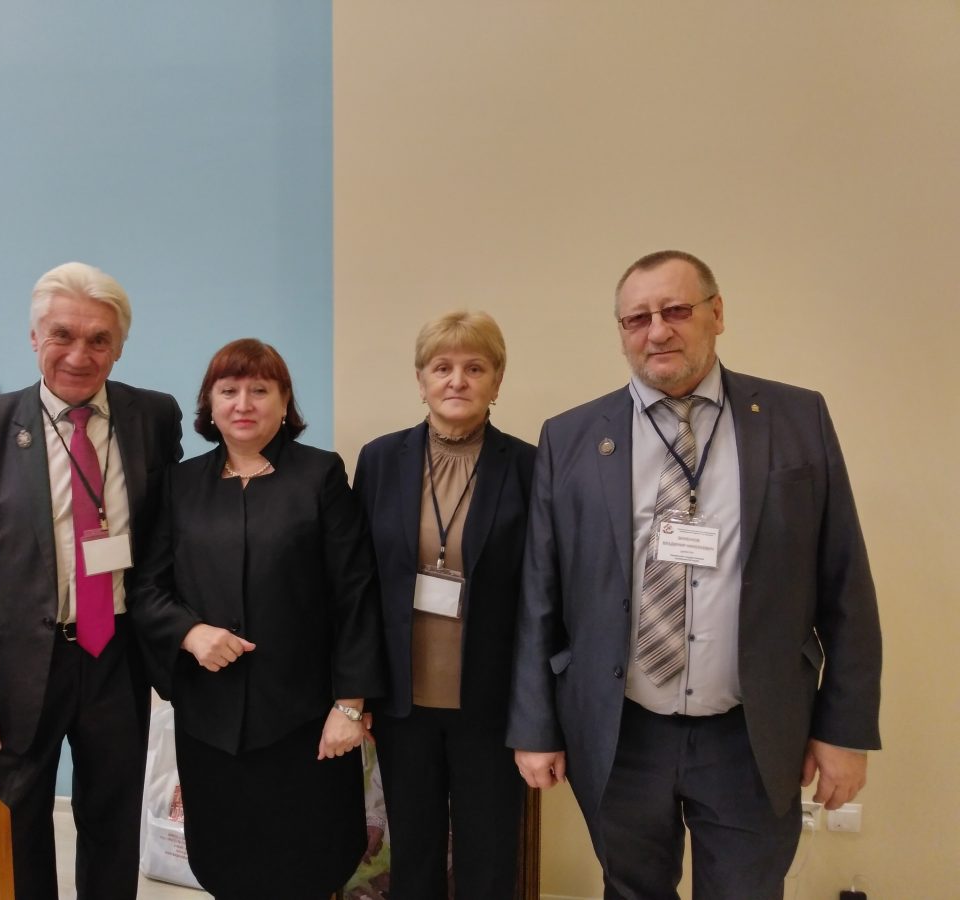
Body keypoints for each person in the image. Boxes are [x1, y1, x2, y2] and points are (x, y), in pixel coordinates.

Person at [508, 250, 882, 898]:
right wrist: (536, 727)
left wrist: (843, 730)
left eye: (676, 310)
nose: (657, 331)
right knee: (632, 888)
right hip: (622, 734)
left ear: (717, 313)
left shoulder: (797, 419)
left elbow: (845, 584)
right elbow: (540, 594)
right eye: (637, 318)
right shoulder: (570, 437)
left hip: (751, 734)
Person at [0, 261, 183, 900]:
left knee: (112, 823)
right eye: (62, 335)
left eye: (99, 339)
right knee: (15, 829)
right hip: (14, 670)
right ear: (33, 338)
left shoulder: (154, 417)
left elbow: (170, 539)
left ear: (119, 347)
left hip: (117, 657)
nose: (79, 354)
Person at [131, 338, 384, 900]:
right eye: (229, 390)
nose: (243, 403)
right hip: (211, 723)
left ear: (284, 401)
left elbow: (356, 593)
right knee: (227, 862)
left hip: (306, 720)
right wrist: (190, 633)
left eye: (260, 390)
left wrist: (350, 705)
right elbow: (146, 588)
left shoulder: (320, 475)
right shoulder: (179, 484)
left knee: (312, 859)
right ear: (210, 403)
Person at [353, 312, 535, 900]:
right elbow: (359, 584)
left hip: (491, 703)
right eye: (442, 367)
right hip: (403, 703)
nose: (457, 380)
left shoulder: (529, 466)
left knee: (489, 857)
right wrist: (356, 693)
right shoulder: (380, 460)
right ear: (421, 380)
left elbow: (542, 594)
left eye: (474, 368)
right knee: (414, 853)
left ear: (497, 381)